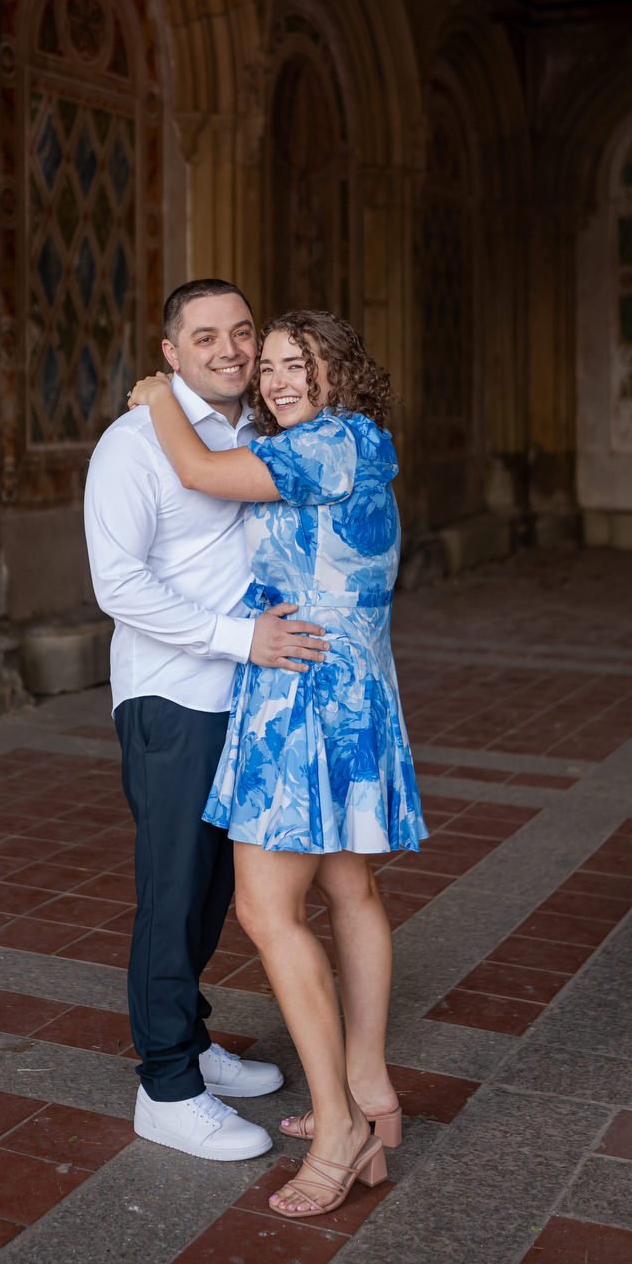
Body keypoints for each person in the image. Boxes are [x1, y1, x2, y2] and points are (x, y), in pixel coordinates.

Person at [128, 308, 426, 1216]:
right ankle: (370, 1090)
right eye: (273, 367)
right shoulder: (360, 443)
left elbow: (197, 469)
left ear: (343, 371)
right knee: (350, 893)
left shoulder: (323, 445)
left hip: (301, 701)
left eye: (302, 364)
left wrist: (157, 399)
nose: (277, 379)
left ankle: (336, 1129)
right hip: (355, 694)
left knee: (265, 910)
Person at [84, 280, 329, 1161]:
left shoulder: (255, 434)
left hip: (246, 697)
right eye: (205, 337)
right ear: (170, 353)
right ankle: (167, 1085)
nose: (228, 349)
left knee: (219, 889)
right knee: (174, 889)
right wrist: (238, 637)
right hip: (172, 697)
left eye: (241, 332)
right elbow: (118, 586)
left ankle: (191, 1040)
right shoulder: (131, 446)